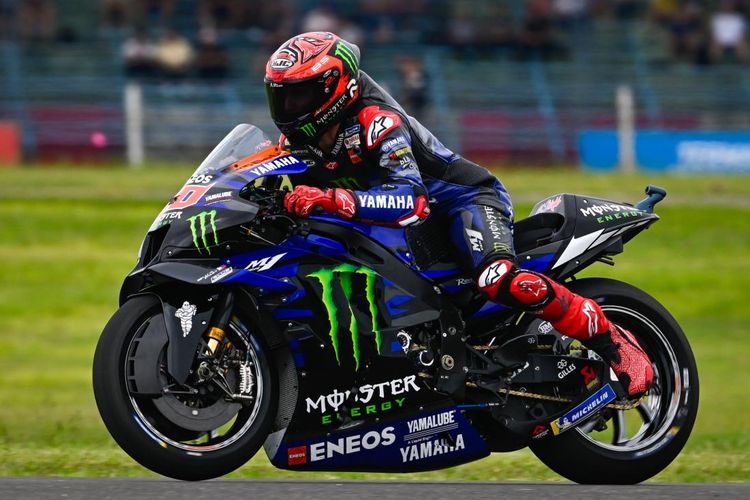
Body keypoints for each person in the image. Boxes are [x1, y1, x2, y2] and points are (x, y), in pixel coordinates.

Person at [264, 32, 653, 398]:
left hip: (463, 201)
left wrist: (332, 199)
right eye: (280, 96)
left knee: (497, 278)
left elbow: (411, 201)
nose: (287, 107)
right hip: (408, 231)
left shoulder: (378, 122)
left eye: (298, 95)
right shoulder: (298, 142)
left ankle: (613, 341)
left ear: (334, 89)